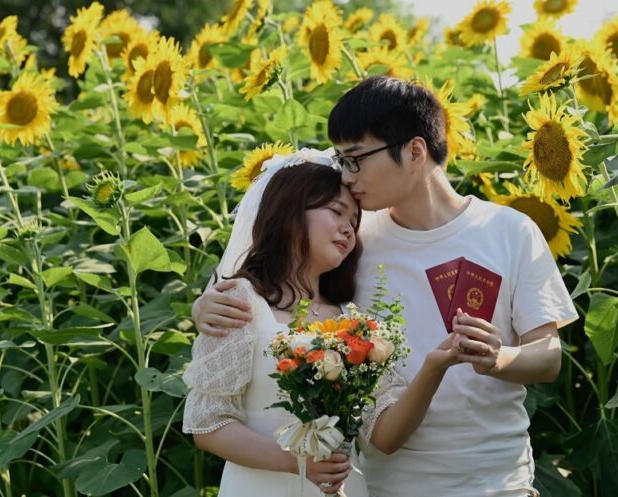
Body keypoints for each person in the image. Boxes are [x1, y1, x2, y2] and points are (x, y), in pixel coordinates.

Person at [192, 76, 578, 497]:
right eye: (341, 160)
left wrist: (497, 357)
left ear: (414, 151)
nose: (346, 175)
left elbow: (548, 356)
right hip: (385, 484)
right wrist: (207, 305)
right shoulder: (354, 242)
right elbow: (282, 282)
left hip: (496, 480)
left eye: (355, 158)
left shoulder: (510, 231)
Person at [182, 152, 368, 496]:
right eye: (336, 211)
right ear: (290, 211)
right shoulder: (240, 301)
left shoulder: (350, 315)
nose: (348, 228)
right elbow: (208, 424)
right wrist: (298, 462)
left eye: (354, 222)